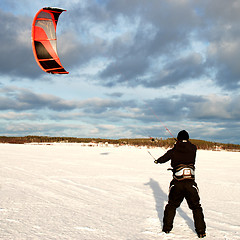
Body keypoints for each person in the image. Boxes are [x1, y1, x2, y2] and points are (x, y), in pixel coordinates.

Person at [154, 130, 206, 238]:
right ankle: (201, 231)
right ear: (188, 139)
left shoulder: (174, 150)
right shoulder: (193, 149)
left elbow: (165, 158)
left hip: (177, 183)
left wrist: (157, 161)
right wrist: (180, 143)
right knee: (196, 207)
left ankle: (167, 229)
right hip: (191, 183)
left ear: (178, 139)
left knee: (171, 205)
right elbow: (190, 147)